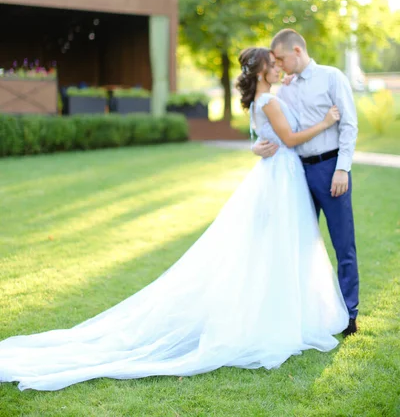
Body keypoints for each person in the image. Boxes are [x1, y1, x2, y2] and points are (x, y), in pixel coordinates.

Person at [0, 47, 348, 392]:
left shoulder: (266, 99)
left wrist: (258, 143)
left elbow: (263, 137)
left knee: (274, 247)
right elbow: (288, 138)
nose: (277, 69)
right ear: (260, 72)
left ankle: (281, 312)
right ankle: (275, 317)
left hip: (278, 175)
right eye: (272, 65)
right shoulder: (268, 102)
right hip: (281, 178)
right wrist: (326, 122)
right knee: (279, 245)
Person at [252, 29, 359, 337]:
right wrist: (255, 147)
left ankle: (349, 313)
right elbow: (270, 129)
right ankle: (304, 312)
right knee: (298, 243)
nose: (279, 66)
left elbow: (349, 124)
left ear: (297, 51)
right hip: (296, 172)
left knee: (343, 245)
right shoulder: (282, 90)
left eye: (281, 59)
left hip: (330, 169)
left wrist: (342, 168)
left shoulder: (332, 77)